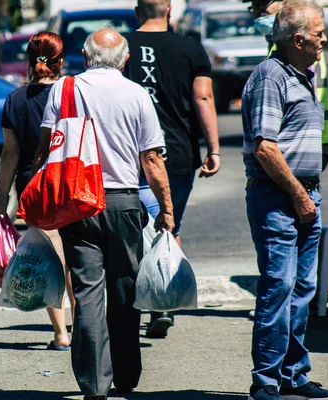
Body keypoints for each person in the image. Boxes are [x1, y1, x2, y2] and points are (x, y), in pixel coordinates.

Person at [36, 28, 175, 399]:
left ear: (85, 55)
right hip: (123, 202)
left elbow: (47, 148)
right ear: (126, 60)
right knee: (125, 290)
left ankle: (94, 384)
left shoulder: (63, 90)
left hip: (77, 205)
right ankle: (126, 376)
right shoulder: (138, 95)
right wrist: (166, 209)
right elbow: (151, 158)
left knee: (87, 292)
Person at [241, 1, 328, 399]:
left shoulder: (303, 74)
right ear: (297, 39)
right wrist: (298, 195)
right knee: (279, 288)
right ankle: (265, 381)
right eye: (318, 33)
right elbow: (265, 147)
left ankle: (293, 375)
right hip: (279, 196)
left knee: (301, 291)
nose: (324, 39)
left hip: (303, 195)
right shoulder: (271, 76)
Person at [123, 0, 220, 339]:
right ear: (169, 12)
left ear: (137, 13)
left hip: (129, 154)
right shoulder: (191, 49)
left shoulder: (121, 47)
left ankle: (131, 303)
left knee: (130, 230)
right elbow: (203, 98)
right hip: (176, 153)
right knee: (169, 222)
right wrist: (214, 148)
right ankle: (162, 300)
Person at [0, 31, 75, 351]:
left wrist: (2, 196)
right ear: (61, 61)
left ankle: (60, 333)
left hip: (34, 185)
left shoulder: (15, 100)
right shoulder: (75, 92)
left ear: (30, 62)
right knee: (76, 256)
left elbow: (10, 152)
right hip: (71, 180)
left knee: (48, 255)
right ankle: (83, 326)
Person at [244, 0, 328, 171]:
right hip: (306, 140)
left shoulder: (300, 46)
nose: (257, 11)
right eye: (253, 6)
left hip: (306, 140)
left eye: (263, 4)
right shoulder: (285, 47)